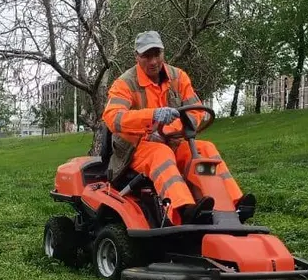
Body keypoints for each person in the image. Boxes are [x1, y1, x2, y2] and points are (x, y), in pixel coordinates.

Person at [102, 30, 255, 225]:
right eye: (146, 56)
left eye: (156, 54)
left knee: (205, 149)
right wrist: (152, 116)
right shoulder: (124, 83)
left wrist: (168, 130)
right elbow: (113, 117)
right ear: (137, 57)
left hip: (172, 140)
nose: (153, 61)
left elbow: (197, 111)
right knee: (161, 154)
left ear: (163, 53)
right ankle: (184, 209)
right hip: (137, 147)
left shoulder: (178, 77)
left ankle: (233, 205)